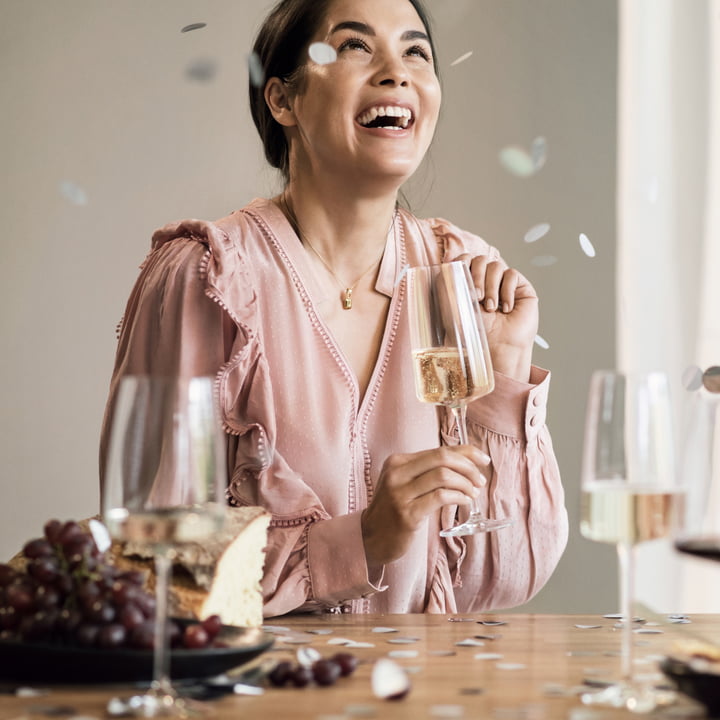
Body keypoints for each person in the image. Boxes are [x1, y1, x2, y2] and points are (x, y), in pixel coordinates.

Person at [100, 0, 568, 617]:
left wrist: (502, 370)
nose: (396, 72)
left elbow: (502, 579)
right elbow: (152, 564)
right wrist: (362, 541)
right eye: (354, 46)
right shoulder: (209, 277)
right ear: (282, 101)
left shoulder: (460, 273)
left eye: (416, 51)